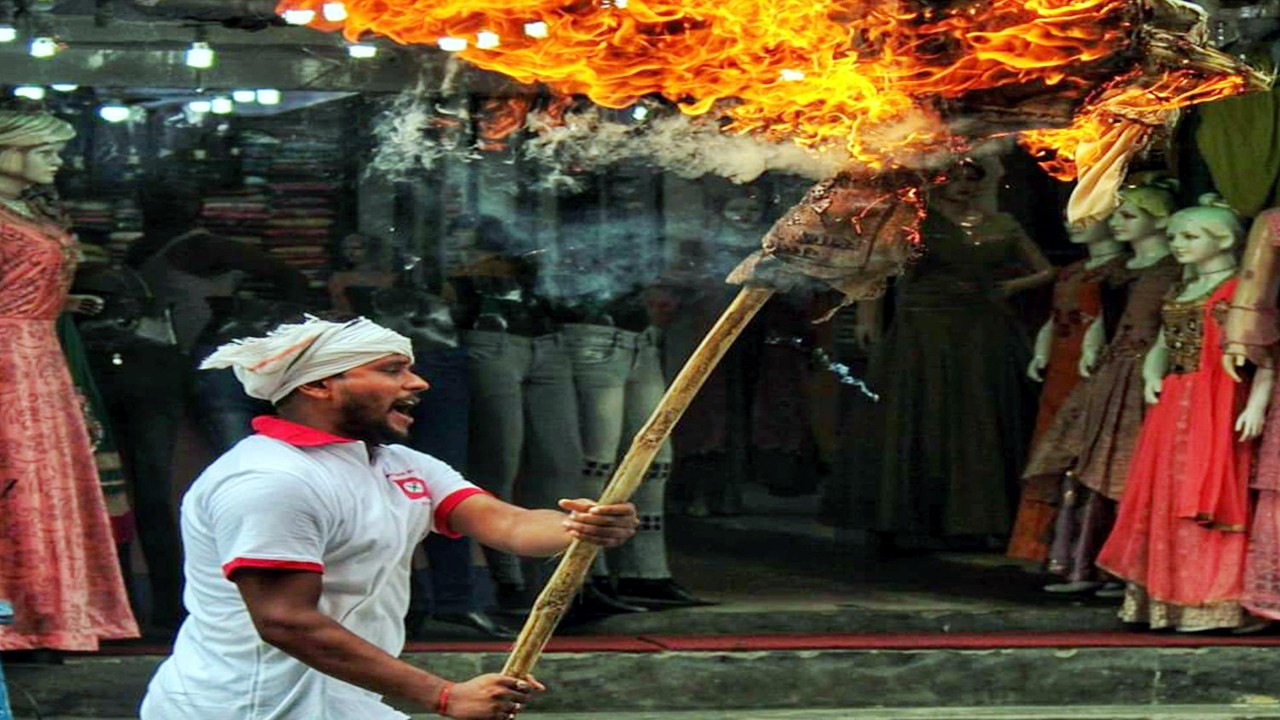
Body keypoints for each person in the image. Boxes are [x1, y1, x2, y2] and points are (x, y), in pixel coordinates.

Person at [139, 315, 639, 719]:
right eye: (392, 369)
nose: (418, 382)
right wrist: (444, 696)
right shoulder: (269, 479)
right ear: (319, 386)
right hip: (243, 707)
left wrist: (580, 526)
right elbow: (286, 621)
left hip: (340, 702)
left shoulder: (401, 464)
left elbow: (507, 525)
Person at [1097, 196, 1272, 631]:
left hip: (1219, 400)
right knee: (1168, 492)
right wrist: (1152, 374)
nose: (1178, 244)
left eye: (1190, 236)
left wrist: (1255, 404)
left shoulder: (1239, 290)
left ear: (1226, 240)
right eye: (1174, 236)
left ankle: (1212, 600)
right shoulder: (1180, 288)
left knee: (1209, 492)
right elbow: (1160, 343)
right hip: (1174, 400)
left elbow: (1265, 353)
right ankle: (1167, 600)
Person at [0, 108, 139, 651]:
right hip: (9, 359)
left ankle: (44, 616)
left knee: (41, 482)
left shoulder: (26, 211)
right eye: (47, 152)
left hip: (39, 354)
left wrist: (59, 303)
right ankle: (15, 620)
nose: (58, 163)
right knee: (15, 479)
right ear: (10, 149)